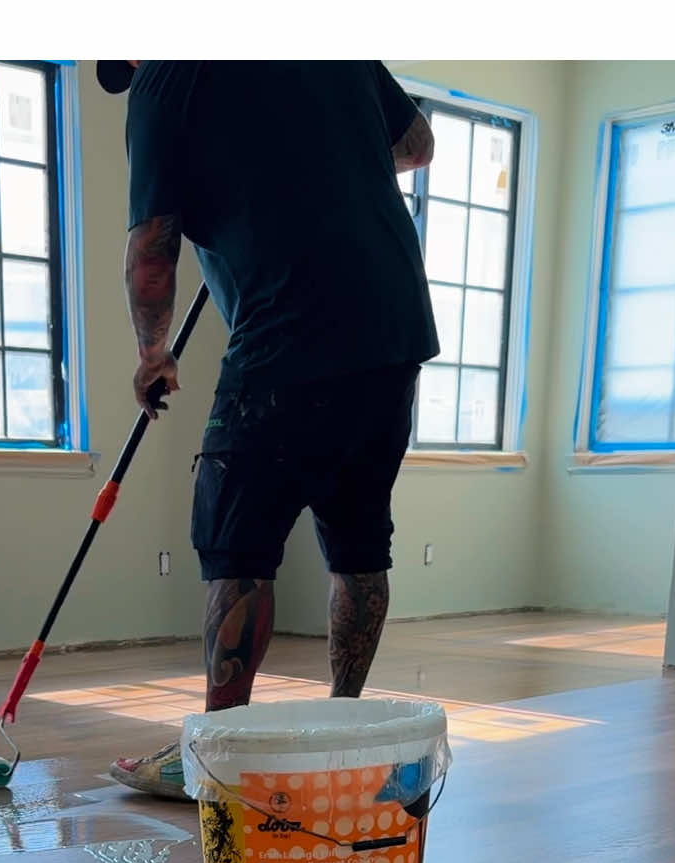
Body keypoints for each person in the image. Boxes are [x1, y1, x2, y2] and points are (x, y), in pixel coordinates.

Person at [97, 61, 438, 800]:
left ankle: (218, 762)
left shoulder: (163, 84)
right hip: (393, 328)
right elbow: (415, 142)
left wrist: (153, 356)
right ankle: (341, 734)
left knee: (234, 544)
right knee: (357, 537)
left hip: (284, 333)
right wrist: (312, 156)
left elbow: (152, 249)